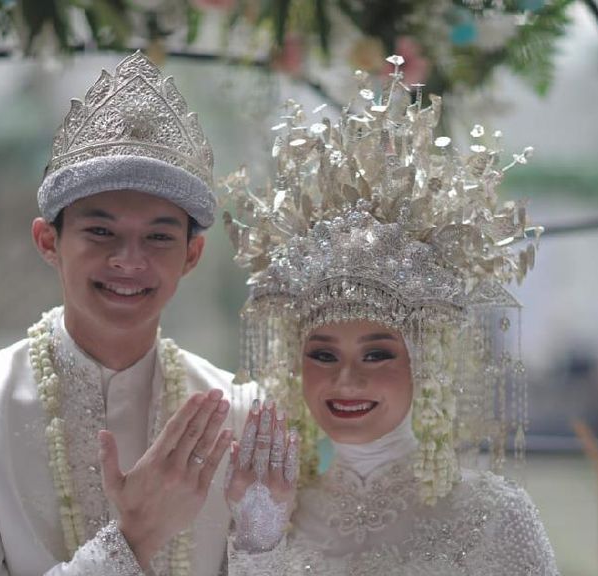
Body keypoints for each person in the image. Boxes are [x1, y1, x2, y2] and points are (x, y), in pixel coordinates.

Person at [0, 51, 249, 575]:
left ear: (192, 255)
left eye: (158, 237)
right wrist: (134, 537)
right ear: (49, 241)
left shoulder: (238, 414)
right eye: (100, 231)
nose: (128, 260)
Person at [217, 56, 558, 575]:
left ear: (424, 361)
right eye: (323, 355)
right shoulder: (275, 514)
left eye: (376, 354)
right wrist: (257, 545)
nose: (345, 380)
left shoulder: (493, 515)